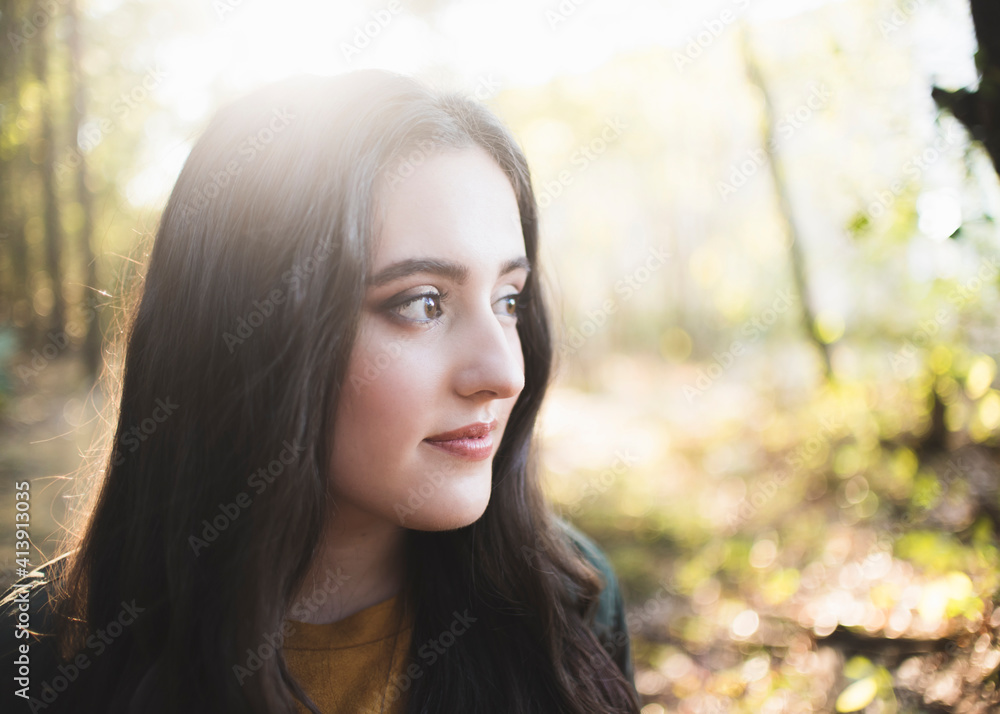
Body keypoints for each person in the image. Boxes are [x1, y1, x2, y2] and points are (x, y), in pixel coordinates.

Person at [0, 70, 640, 714]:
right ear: (251, 328)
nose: (503, 373)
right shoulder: (33, 658)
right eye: (422, 303)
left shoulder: (570, 605)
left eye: (509, 299)